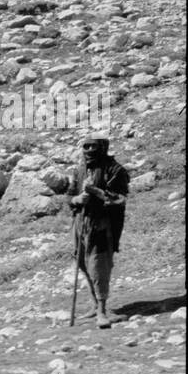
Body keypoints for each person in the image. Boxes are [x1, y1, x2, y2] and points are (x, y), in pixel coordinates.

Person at [69, 134, 129, 329]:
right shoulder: (79, 169)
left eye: (93, 147)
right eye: (85, 146)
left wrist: (95, 192)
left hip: (102, 225)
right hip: (80, 223)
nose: (88, 151)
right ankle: (95, 305)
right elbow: (69, 196)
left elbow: (119, 199)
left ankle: (103, 311)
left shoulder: (115, 170)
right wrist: (76, 200)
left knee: (98, 266)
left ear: (103, 148)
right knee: (83, 264)